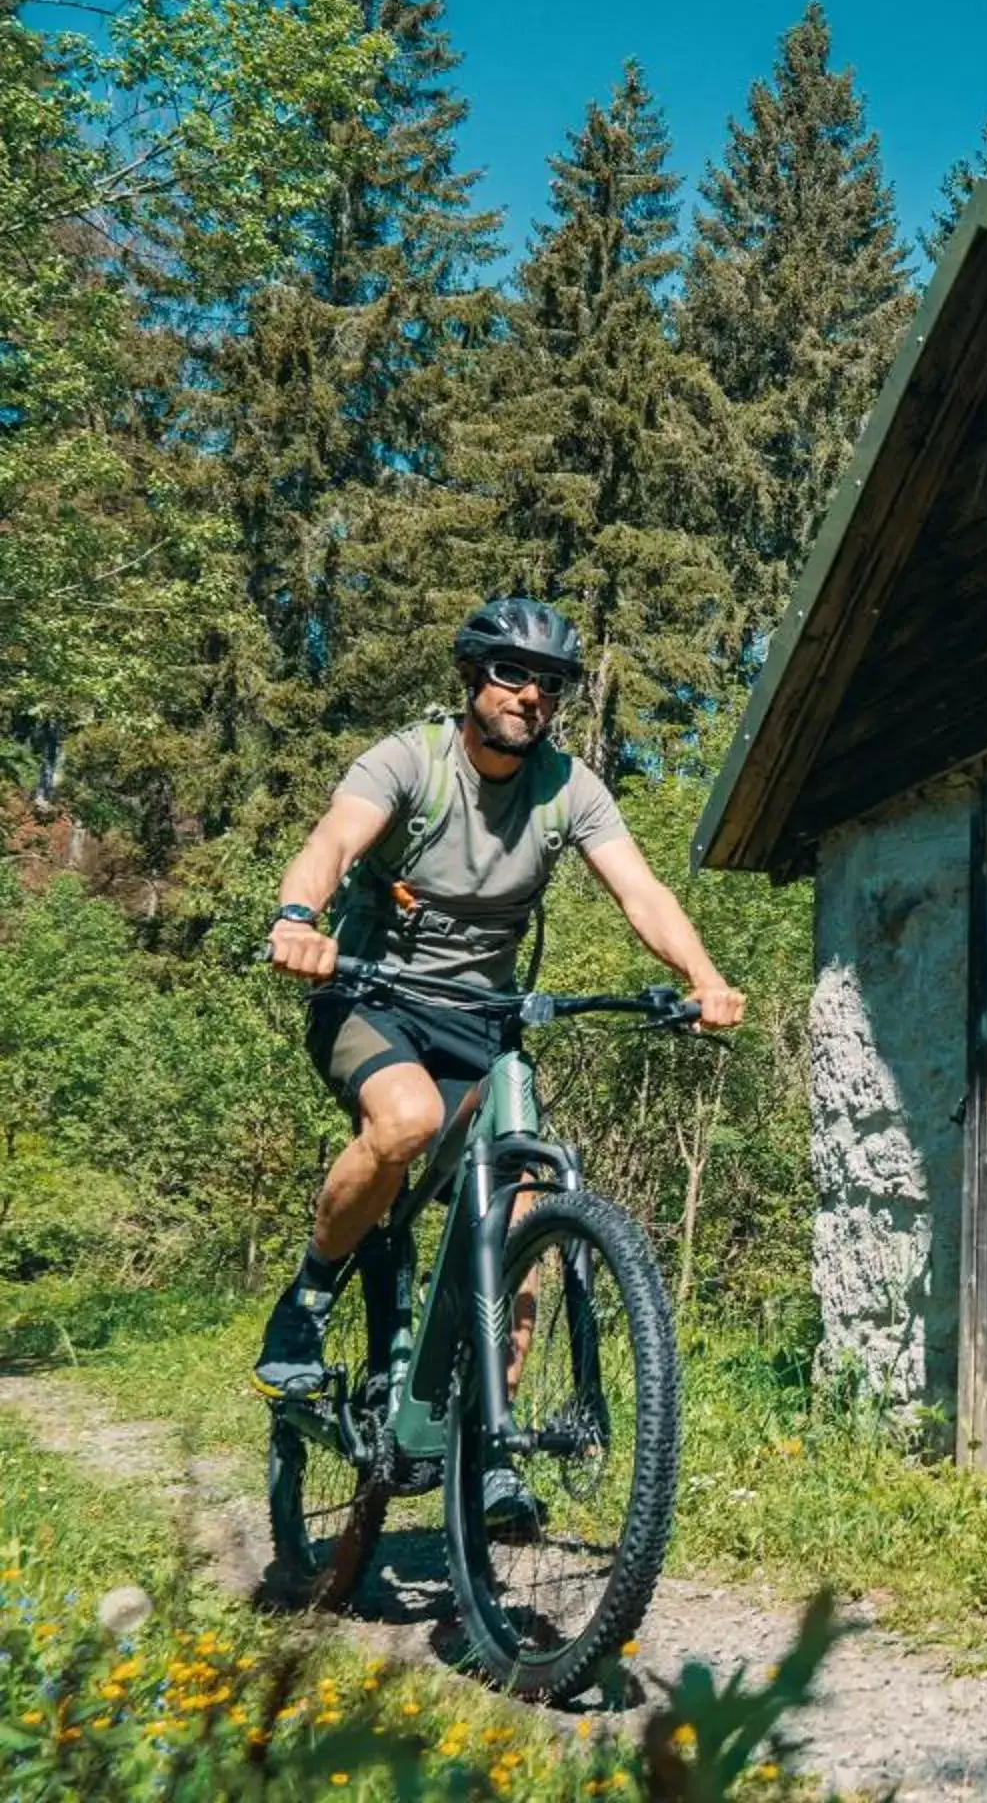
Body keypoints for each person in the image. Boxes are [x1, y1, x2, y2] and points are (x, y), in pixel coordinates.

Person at [255, 597, 746, 1528]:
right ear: (474, 678)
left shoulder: (569, 786)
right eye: (514, 676)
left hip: (483, 1021)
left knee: (519, 1222)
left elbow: (640, 888)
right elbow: (333, 840)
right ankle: (312, 1294)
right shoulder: (410, 760)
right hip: (373, 999)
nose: (532, 697)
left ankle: (491, 1447)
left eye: (550, 685)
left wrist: (704, 977)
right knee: (407, 1123)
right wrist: (297, 921)